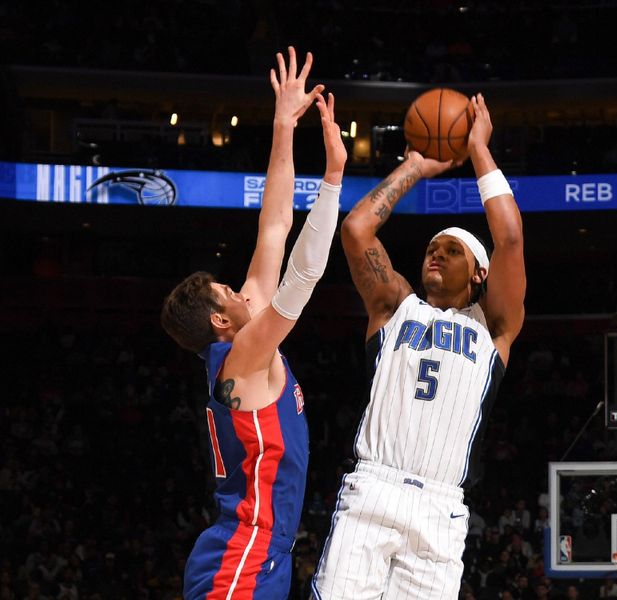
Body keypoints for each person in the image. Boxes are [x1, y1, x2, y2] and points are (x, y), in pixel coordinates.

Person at [312, 94, 525, 598]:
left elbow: (511, 239)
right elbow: (357, 228)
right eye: (432, 248)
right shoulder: (394, 306)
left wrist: (479, 152)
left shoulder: (493, 327)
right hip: (373, 489)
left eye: (451, 252)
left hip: (440, 508)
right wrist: (413, 167)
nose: (436, 254)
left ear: (479, 274)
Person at [160, 47, 347, 600]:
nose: (245, 289)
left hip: (260, 551)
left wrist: (284, 126)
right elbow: (304, 277)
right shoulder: (241, 358)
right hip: (243, 552)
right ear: (222, 318)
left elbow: (275, 223)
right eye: (231, 290)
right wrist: (333, 178)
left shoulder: (246, 336)